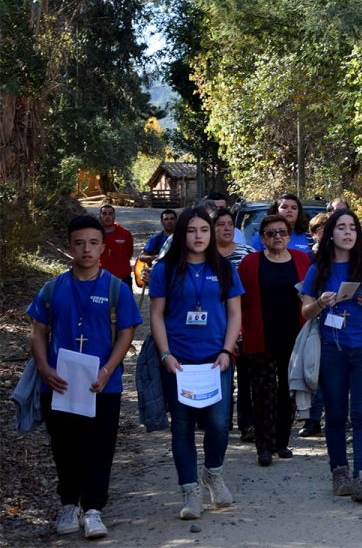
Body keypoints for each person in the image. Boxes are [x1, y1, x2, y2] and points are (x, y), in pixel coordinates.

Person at [26, 216, 141, 539]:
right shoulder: (53, 288)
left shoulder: (116, 289)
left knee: (99, 446)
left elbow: (126, 333)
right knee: (65, 446)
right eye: (79, 243)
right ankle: (68, 504)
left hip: (103, 384)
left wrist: (107, 370)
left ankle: (93, 509)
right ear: (69, 247)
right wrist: (44, 368)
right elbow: (37, 331)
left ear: (103, 248)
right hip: (59, 383)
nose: (86, 249)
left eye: (93, 243)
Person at [149, 208, 244, 520]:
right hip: (178, 362)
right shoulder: (165, 270)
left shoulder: (226, 269)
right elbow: (157, 315)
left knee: (218, 424)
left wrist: (227, 351)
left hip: (215, 362)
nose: (199, 236)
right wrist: (165, 354)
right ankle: (190, 490)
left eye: (204, 229)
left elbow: (234, 314)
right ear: (181, 234)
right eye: (192, 230)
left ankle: (212, 473)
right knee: (182, 426)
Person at [299, 209, 362, 502]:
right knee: (335, 414)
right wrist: (321, 304)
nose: (348, 233)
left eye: (353, 228)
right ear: (331, 234)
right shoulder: (318, 269)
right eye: (341, 227)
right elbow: (305, 311)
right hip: (331, 349)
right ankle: (339, 472)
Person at [238, 215, 312, 465]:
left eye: (282, 232)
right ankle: (263, 446)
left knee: (287, 391)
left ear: (289, 236)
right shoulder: (250, 262)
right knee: (262, 392)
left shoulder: (302, 260)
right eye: (270, 233)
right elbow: (238, 301)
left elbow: (311, 294)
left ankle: (282, 441)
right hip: (260, 335)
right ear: (262, 238)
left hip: (294, 336)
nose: (277, 236)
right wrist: (238, 329)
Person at [212, 208, 255, 443]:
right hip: (215, 325)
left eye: (230, 224)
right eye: (220, 224)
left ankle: (247, 424)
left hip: (244, 322)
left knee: (246, 377)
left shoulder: (248, 253)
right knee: (219, 372)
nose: (226, 228)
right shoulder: (204, 256)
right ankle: (220, 420)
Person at [297, 211, 331, 439]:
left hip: (342, 322)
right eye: (322, 229)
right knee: (314, 371)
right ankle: (312, 419)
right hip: (315, 319)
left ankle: (336, 417)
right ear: (313, 233)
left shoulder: (348, 257)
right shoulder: (309, 258)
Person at [99, 204, 134, 286]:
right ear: (100, 217)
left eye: (110, 214)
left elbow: (129, 253)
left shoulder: (125, 234)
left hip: (123, 278)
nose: (107, 217)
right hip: (100, 278)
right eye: (104, 214)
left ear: (114, 216)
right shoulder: (95, 234)